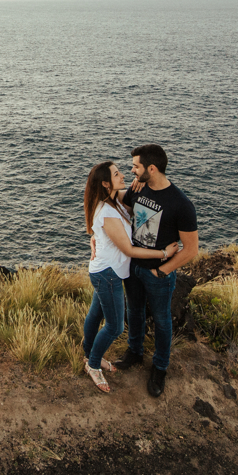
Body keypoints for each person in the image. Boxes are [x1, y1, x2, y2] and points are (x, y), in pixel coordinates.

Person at [82, 161, 178, 393]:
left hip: (104, 270)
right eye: (116, 174)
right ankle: (93, 364)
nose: (123, 175)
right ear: (106, 183)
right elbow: (129, 249)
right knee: (115, 327)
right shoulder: (107, 211)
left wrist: (140, 181)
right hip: (108, 275)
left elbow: (138, 192)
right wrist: (164, 253)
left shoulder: (112, 200)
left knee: (95, 314)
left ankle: (89, 353)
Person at [113, 144, 198, 398]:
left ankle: (160, 367)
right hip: (134, 266)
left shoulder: (181, 204)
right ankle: (135, 352)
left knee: (162, 320)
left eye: (136, 167)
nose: (132, 170)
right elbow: (122, 208)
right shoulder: (138, 188)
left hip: (158, 274)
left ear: (151, 168)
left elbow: (191, 249)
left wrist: (163, 271)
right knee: (134, 311)